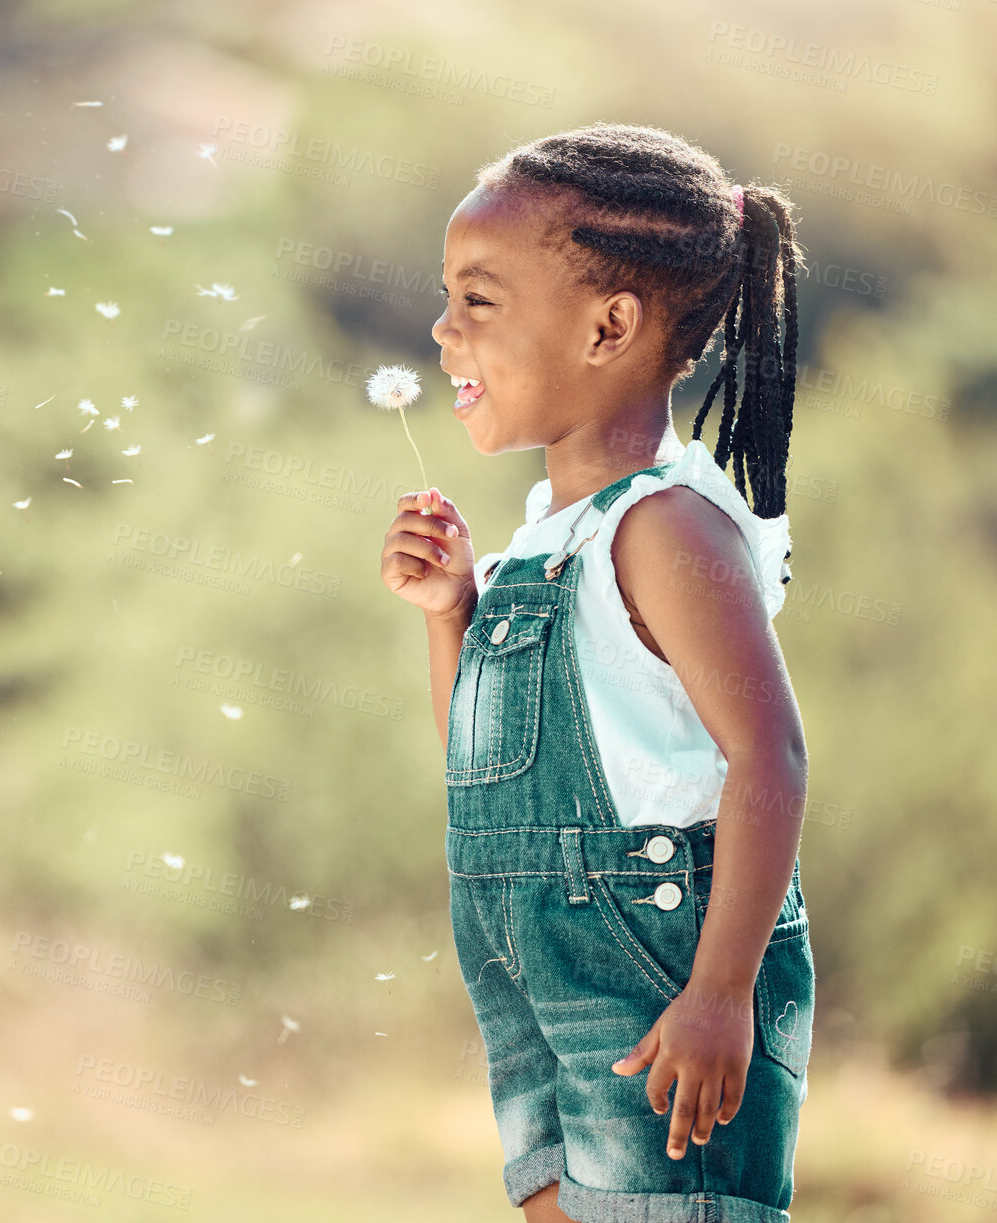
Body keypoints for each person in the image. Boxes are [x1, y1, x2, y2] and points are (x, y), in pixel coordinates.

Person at [380, 122, 816, 1223]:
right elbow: (485, 772)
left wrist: (720, 990)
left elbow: (768, 757)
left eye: (477, 299)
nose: (441, 331)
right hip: (531, 952)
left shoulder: (667, 528)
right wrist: (451, 616)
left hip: (656, 952)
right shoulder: (543, 535)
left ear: (608, 325)